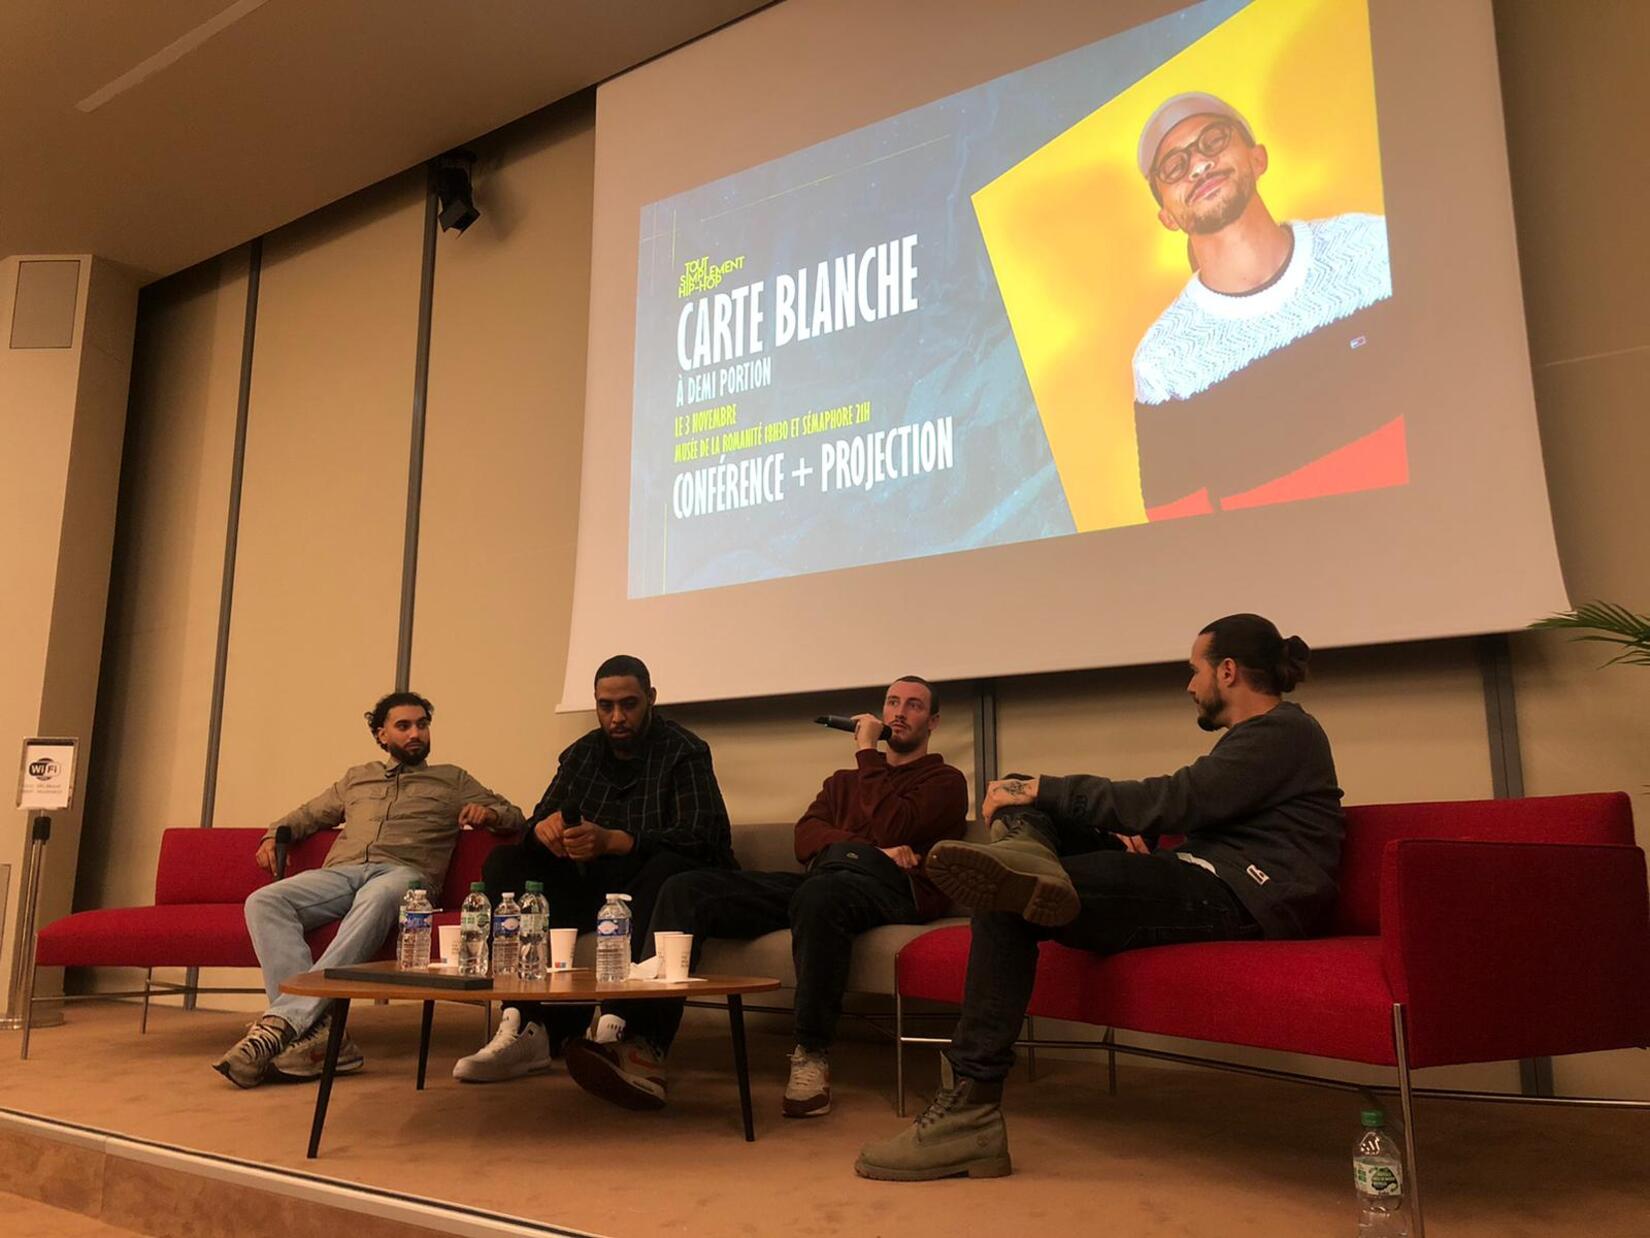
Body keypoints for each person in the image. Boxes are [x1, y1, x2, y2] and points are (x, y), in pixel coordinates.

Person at [855, 614, 1344, 1180]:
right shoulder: (1261, 740)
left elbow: (1181, 798)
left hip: (1241, 894)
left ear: (1227, 671)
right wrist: (1073, 809)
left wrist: (1053, 789)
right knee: (1023, 809)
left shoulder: (1286, 731)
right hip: (1195, 874)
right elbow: (1194, 808)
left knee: (1007, 883)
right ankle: (1028, 862)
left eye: (1195, 670)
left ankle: (969, 1112)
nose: (1190, 684)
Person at [563, 676, 969, 1115]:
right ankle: (645, 1049)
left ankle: (811, 1054)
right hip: (824, 879)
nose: (898, 713)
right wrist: (868, 848)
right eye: (891, 703)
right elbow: (805, 837)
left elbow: (894, 824)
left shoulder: (945, 781)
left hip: (892, 892)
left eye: (913, 706)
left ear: (934, 723)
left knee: (821, 896)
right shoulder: (841, 783)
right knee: (687, 887)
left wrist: (866, 755)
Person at [212, 691, 524, 1088]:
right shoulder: (357, 778)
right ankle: (323, 1035)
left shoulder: (453, 779)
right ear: (381, 735)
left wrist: (490, 814)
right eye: (404, 726)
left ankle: (282, 1024)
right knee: (265, 900)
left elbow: (513, 816)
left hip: (406, 876)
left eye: (422, 725)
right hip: (342, 873)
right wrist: (273, 836)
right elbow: (308, 815)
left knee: (376, 896)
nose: (416, 733)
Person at [452, 654, 734, 1082]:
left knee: (668, 868)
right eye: (606, 706)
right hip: (587, 887)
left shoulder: (685, 751)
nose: (617, 717)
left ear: (651, 699)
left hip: (649, 884)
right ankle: (524, 1024)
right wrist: (543, 830)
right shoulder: (582, 754)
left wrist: (616, 840)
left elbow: (704, 838)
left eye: (629, 704)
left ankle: (618, 1029)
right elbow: (537, 821)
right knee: (507, 860)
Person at [1130, 92, 1395, 518]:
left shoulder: (1372, 249)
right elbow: (1187, 543)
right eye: (1173, 167)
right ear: (1168, 217)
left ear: (1258, 158)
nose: (1198, 164)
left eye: (1213, 140)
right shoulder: (1164, 362)